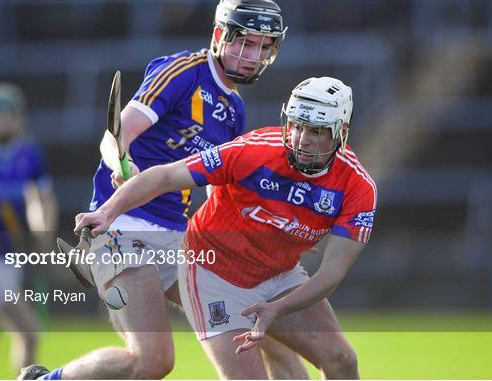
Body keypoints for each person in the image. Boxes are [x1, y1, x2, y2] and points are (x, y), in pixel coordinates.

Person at [19, 1, 309, 379]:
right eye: (244, 43)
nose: (252, 56)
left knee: (258, 323)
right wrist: (121, 165)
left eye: (262, 47)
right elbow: (115, 135)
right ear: (220, 34)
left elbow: (218, 192)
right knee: (153, 361)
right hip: (122, 227)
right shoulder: (184, 72)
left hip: (179, 240)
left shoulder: (234, 109)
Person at [73, 76, 377, 379]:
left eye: (316, 131)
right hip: (213, 276)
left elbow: (330, 274)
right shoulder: (253, 151)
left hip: (278, 276)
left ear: (341, 132)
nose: (301, 139)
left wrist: (279, 307)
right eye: (296, 125)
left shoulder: (358, 188)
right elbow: (165, 176)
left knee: (342, 360)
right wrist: (107, 212)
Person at [0, 83, 58, 372]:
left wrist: (43, 237)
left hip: (8, 255)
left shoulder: (30, 156)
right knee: (29, 333)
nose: (2, 120)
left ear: (20, 118)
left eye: (9, 114)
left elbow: (42, 201)